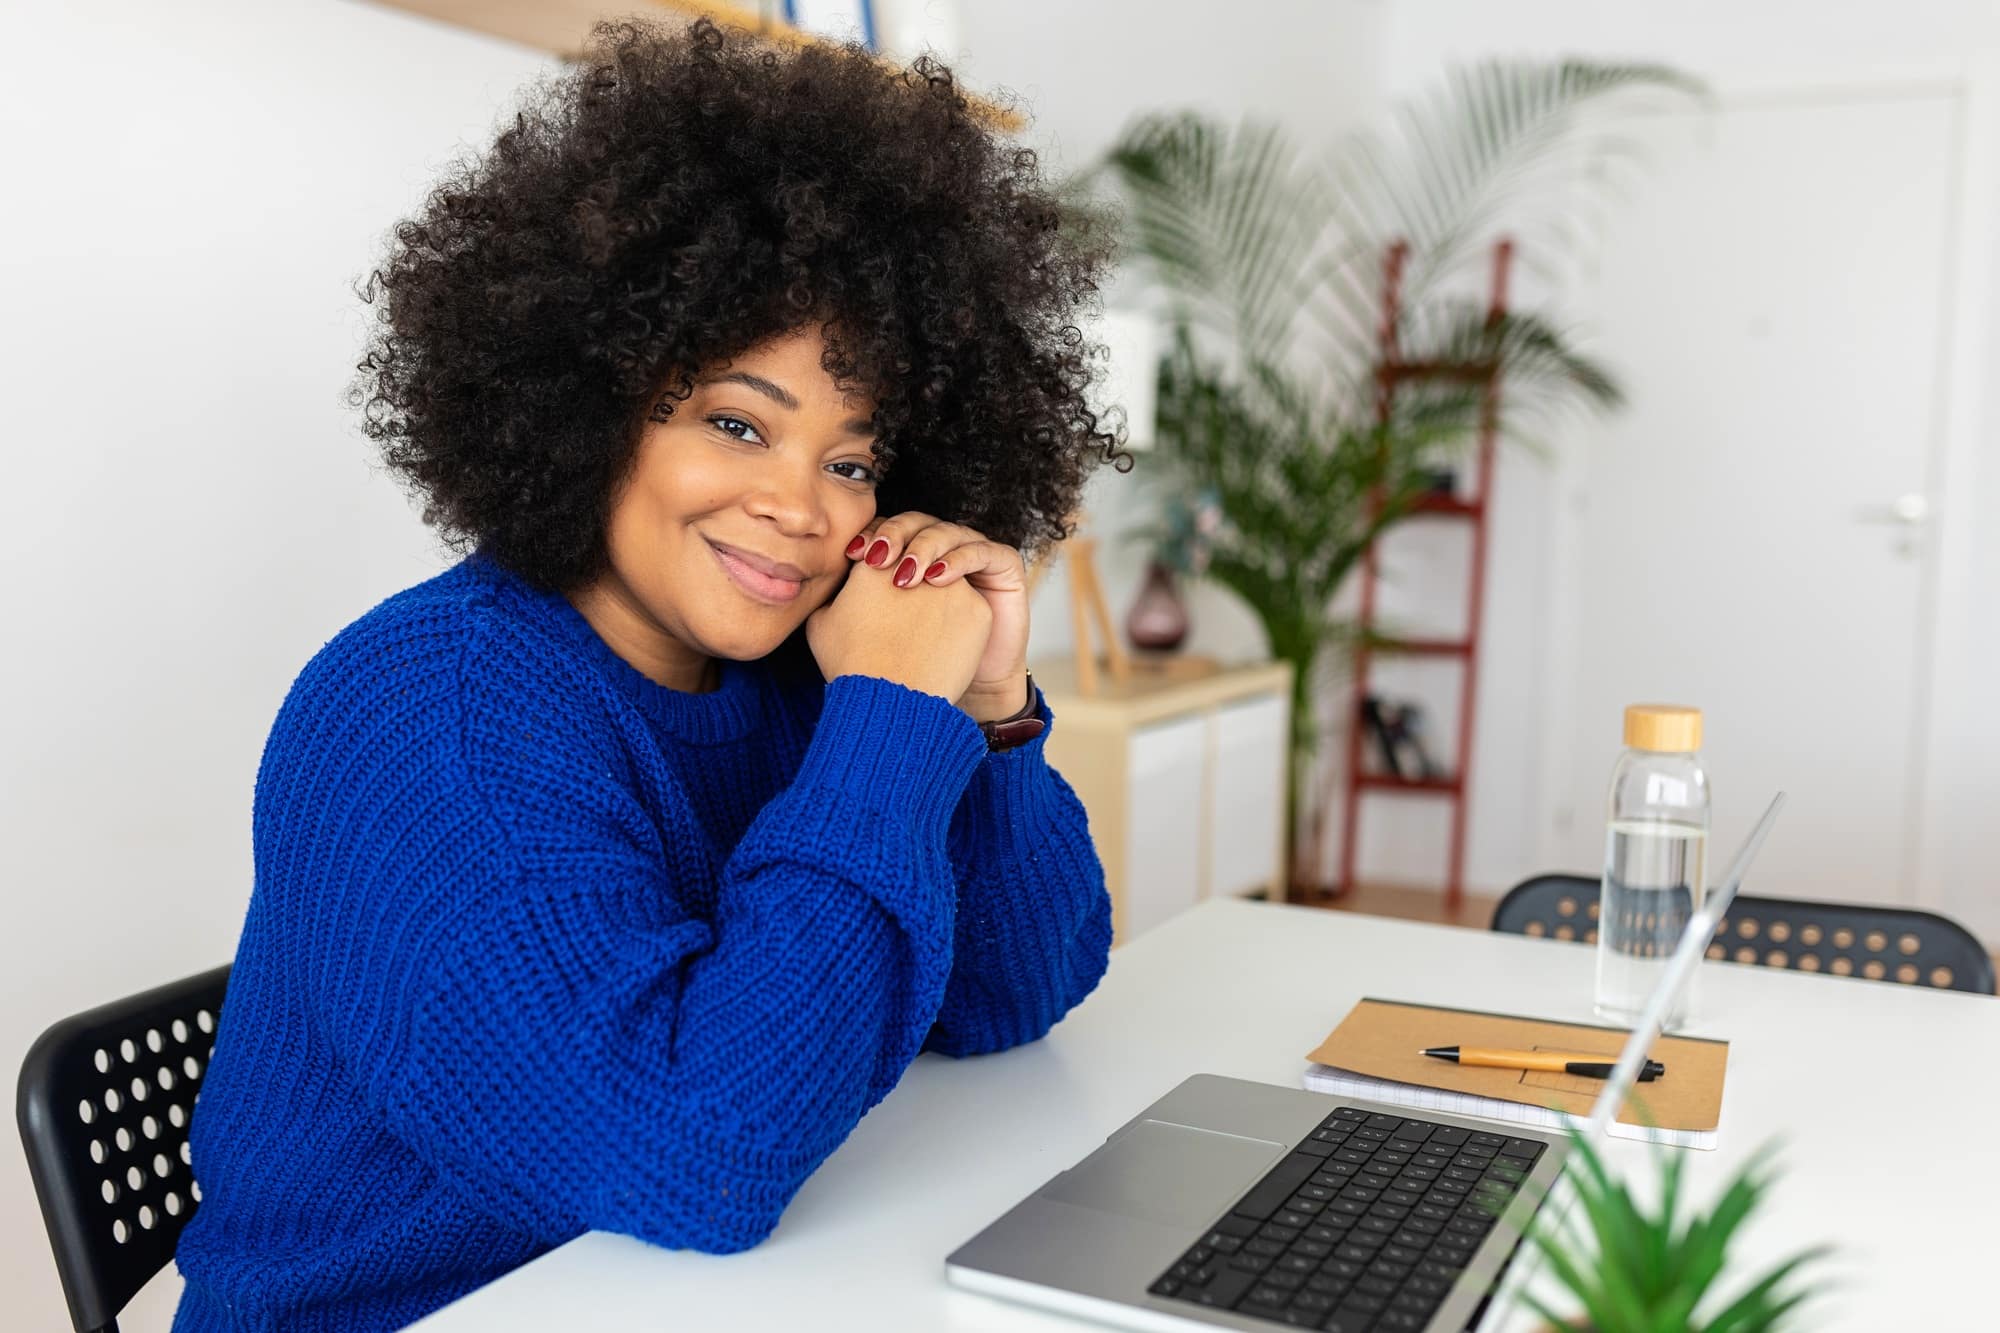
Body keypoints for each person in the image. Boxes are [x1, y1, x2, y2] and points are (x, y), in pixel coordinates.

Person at [172, 17, 1126, 1331]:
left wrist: (985, 715)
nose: (804, 506)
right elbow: (700, 1151)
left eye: (852, 459)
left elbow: (1010, 996)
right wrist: (889, 721)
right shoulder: (424, 722)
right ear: (586, 402)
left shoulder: (807, 677)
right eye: (738, 422)